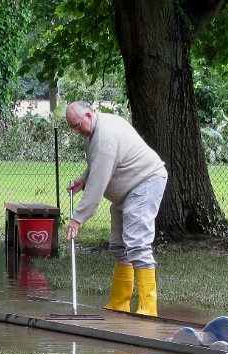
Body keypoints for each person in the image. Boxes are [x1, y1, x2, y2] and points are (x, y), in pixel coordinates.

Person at [65, 100, 168, 316]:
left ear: (88, 116)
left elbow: (98, 183)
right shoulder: (96, 131)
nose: (77, 131)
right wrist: (84, 178)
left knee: (137, 243)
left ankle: (148, 308)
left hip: (144, 182)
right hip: (127, 189)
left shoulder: (104, 137)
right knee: (119, 245)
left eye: (77, 125)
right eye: (72, 127)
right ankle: (119, 303)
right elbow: (98, 165)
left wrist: (77, 219)